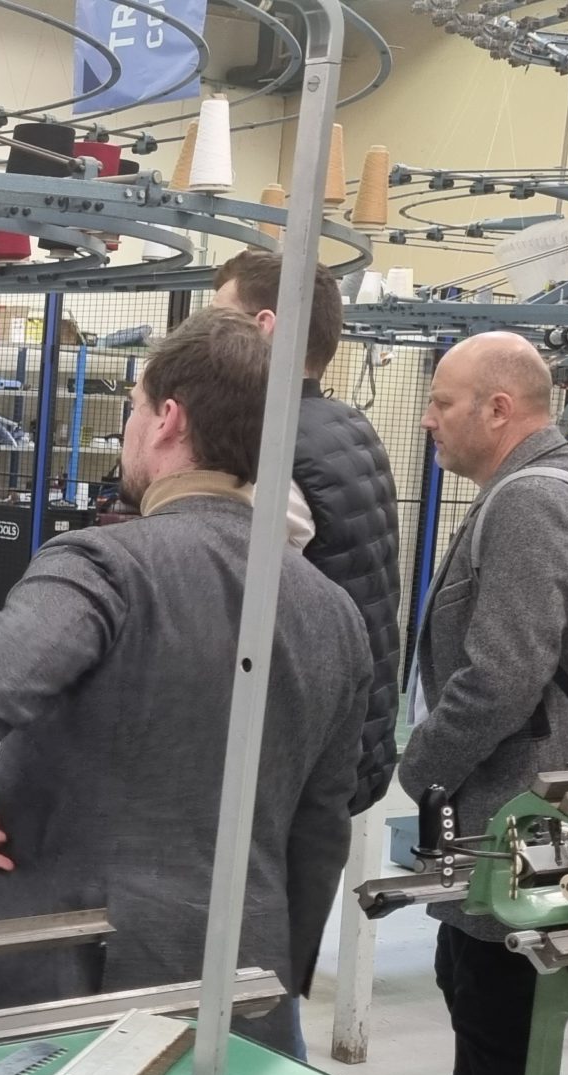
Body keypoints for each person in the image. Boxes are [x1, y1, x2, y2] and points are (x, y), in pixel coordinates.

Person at [0, 308, 371, 1060]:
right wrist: (275, 971)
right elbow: (320, 831)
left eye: (134, 407)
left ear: (168, 420)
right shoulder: (334, 611)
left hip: (70, 977)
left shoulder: (105, 566)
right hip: (239, 979)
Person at [362, 332, 568, 1075]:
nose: (426, 418)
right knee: (464, 971)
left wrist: (420, 763)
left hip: (520, 804)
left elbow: (504, 675)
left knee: (499, 1001)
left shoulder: (532, 501)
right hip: (512, 800)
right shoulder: (545, 486)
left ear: (498, 409)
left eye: (441, 402)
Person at [213, 251, 402, 814]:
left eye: (217, 320)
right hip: (355, 731)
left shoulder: (275, 450)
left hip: (295, 761)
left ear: (263, 327)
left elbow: (227, 608)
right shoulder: (348, 426)